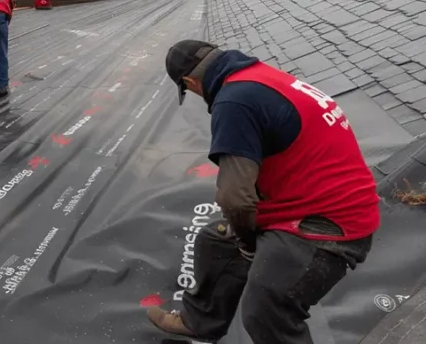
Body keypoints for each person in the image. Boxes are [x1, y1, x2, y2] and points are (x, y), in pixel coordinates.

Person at [148, 39, 379, 344]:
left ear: (190, 82)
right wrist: (242, 236)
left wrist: (247, 243)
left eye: (190, 90)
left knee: (266, 310)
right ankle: (200, 322)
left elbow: (235, 198)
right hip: (319, 201)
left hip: (330, 225)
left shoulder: (234, 101)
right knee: (215, 240)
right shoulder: (261, 76)